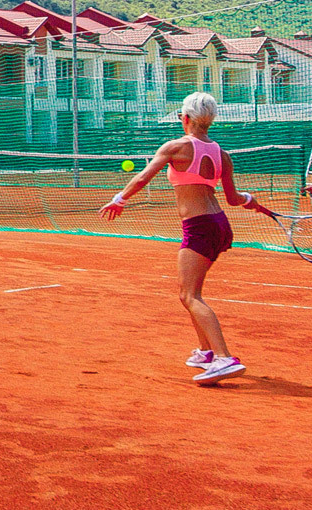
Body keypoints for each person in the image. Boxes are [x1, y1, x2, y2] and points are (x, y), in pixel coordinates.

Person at [100, 91, 280, 384]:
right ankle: (206, 352)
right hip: (220, 225)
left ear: (185, 118)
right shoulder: (222, 154)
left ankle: (224, 358)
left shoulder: (177, 147)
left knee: (189, 295)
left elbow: (144, 177)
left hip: (199, 226)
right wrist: (252, 200)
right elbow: (234, 199)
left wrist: (119, 199)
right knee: (192, 291)